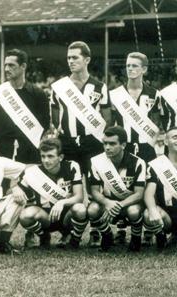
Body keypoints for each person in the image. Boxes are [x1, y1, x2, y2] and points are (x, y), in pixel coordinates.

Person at [50, 41, 112, 246]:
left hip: (91, 142)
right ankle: (67, 230)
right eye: (68, 58)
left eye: (75, 57)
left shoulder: (99, 87)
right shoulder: (60, 87)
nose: (71, 61)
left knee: (95, 185)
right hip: (67, 142)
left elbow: (107, 119)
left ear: (87, 59)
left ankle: (96, 230)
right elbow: (56, 117)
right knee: (68, 187)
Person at [110, 52, 161, 246]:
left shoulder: (154, 94)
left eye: (135, 65)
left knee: (149, 184)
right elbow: (111, 124)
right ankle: (122, 228)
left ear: (144, 69)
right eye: (128, 65)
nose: (130, 68)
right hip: (126, 146)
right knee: (124, 182)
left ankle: (148, 228)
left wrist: (151, 143)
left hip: (146, 146)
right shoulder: (116, 94)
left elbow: (156, 124)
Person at [18, 138, 88, 249]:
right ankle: (44, 236)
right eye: (43, 156)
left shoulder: (71, 166)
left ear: (60, 157)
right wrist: (14, 188)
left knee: (80, 209)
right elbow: (15, 184)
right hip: (45, 217)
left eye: (50, 156)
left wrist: (62, 203)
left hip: (66, 216)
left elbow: (79, 197)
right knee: (25, 216)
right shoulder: (34, 172)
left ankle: (74, 239)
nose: (46, 160)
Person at [87, 126, 146, 252]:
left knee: (134, 211)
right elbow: (94, 191)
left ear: (123, 145)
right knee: (92, 209)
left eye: (112, 144)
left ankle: (136, 240)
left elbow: (139, 194)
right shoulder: (97, 161)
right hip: (108, 204)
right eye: (105, 143)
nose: (107, 147)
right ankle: (107, 236)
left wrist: (118, 205)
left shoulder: (138, 163)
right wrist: (107, 203)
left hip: (129, 204)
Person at [0, 48, 50, 164]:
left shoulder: (38, 94)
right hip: (3, 151)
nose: (6, 69)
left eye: (11, 65)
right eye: (5, 65)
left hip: (30, 151)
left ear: (23, 66)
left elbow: (45, 123)